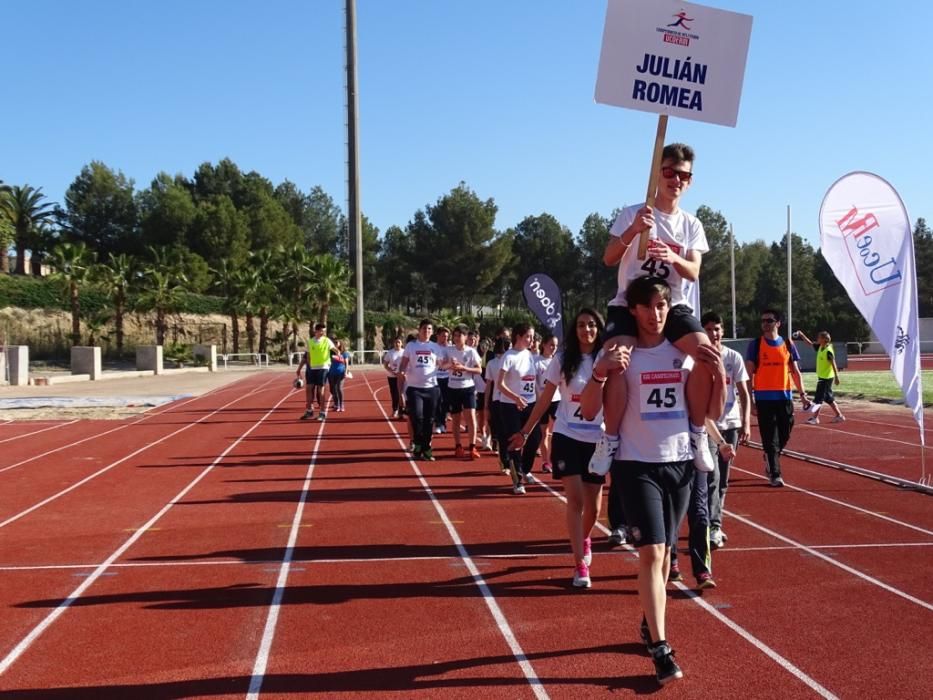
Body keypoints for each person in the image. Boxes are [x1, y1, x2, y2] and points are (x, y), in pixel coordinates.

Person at [581, 276, 725, 686]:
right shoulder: (618, 352)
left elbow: (714, 408)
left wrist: (719, 377)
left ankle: (649, 622)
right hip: (635, 463)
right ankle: (661, 648)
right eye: (647, 307)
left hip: (679, 461)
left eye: (662, 306)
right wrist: (600, 374)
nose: (655, 314)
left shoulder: (684, 355)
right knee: (653, 552)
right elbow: (588, 409)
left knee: (663, 561)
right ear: (633, 311)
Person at [589, 143, 716, 480]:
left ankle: (698, 432)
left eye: (683, 175)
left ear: (690, 181)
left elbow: (693, 271)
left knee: (706, 355)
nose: (676, 179)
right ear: (657, 173)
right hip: (630, 303)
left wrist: (671, 256)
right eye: (669, 171)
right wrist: (633, 231)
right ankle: (609, 439)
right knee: (617, 361)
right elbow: (609, 258)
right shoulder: (634, 213)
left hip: (670, 304)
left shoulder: (691, 224)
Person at [509, 309, 607, 588]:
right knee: (575, 501)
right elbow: (544, 399)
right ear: (574, 330)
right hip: (567, 435)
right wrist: (526, 431)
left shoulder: (606, 358)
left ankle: (584, 538)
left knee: (595, 507)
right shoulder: (563, 360)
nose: (586, 330)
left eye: (591, 325)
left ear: (598, 328)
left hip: (597, 439)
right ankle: (579, 565)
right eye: (580, 325)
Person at [701, 312, 751, 549]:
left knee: (723, 479)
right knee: (713, 476)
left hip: (731, 424)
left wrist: (746, 422)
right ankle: (713, 525)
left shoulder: (734, 358)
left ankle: (715, 522)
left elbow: (744, 392)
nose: (714, 333)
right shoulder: (699, 359)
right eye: (709, 329)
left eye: (717, 329)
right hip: (709, 425)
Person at [745, 308, 811, 487]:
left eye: (769, 320)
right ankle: (775, 473)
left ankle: (770, 455)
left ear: (778, 323)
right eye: (763, 321)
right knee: (770, 438)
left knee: (785, 431)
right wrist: (750, 401)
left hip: (785, 397)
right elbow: (748, 374)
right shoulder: (756, 345)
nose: (765, 324)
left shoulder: (788, 344)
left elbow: (796, 372)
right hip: (764, 399)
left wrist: (803, 395)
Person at [496, 323, 541, 494]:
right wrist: (516, 398)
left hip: (530, 404)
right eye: (528, 336)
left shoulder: (530, 355)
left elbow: (532, 381)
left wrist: (539, 398)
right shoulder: (508, 356)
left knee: (535, 438)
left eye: (532, 336)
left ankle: (526, 469)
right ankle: (518, 481)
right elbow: (499, 384)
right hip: (510, 406)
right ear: (518, 337)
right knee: (515, 443)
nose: (531, 340)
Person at [398, 319, 445, 461]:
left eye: (429, 329)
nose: (427, 331)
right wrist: (401, 378)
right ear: (419, 330)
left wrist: (452, 365)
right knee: (416, 417)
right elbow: (403, 365)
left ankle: (426, 448)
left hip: (431, 388)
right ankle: (418, 443)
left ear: (432, 332)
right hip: (414, 389)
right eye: (424, 328)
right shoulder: (411, 346)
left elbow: (441, 365)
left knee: (429, 420)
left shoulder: (435, 347)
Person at [446, 324, 484, 459]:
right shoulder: (449, 350)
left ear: (465, 337)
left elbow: (479, 370)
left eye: (459, 335)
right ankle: (458, 446)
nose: (456, 338)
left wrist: (464, 368)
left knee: (471, 418)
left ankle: (472, 447)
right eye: (455, 335)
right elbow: (442, 365)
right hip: (453, 388)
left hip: (468, 388)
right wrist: (450, 366)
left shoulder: (471, 351)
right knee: (455, 419)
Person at [794, 329, 846, 424]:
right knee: (828, 398)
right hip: (823, 377)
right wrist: (801, 334)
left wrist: (837, 377)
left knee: (818, 398)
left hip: (826, 378)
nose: (817, 339)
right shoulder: (820, 347)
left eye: (819, 337)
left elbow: (833, 364)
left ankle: (815, 418)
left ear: (823, 339)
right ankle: (839, 415)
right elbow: (809, 343)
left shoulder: (828, 350)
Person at [295, 323, 335, 421]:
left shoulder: (327, 341)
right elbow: (307, 356)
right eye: (322, 331)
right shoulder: (310, 342)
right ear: (316, 331)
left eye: (325, 331)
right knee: (308, 389)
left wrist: (339, 353)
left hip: (323, 367)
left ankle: (322, 413)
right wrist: (303, 368)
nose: (324, 333)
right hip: (311, 368)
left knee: (320, 390)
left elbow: (335, 350)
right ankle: (309, 411)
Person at [485, 336, 511, 470]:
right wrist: (486, 405)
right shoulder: (493, 363)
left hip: (510, 401)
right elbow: (489, 385)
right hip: (498, 401)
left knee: (508, 433)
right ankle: (504, 461)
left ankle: (509, 460)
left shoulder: (513, 361)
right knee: (502, 433)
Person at [535, 333, 561, 473]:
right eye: (551, 345)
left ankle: (557, 459)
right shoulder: (537, 362)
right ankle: (546, 462)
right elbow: (534, 383)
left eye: (556, 346)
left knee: (559, 432)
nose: (553, 348)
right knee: (544, 432)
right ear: (543, 345)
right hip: (543, 401)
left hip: (557, 400)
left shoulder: (558, 361)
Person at [433, 326, 452, 434]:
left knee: (445, 401)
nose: (445, 338)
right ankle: (438, 423)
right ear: (438, 336)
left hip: (447, 378)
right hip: (436, 377)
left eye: (446, 336)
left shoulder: (450, 348)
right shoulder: (434, 347)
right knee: (437, 401)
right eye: (443, 336)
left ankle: (443, 422)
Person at [382, 337, 405, 418]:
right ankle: (395, 410)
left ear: (402, 343)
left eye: (399, 342)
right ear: (393, 343)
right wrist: (391, 371)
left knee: (401, 394)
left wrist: (404, 373)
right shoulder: (390, 353)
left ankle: (401, 411)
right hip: (392, 376)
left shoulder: (405, 352)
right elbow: (385, 364)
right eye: (396, 342)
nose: (397, 344)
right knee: (394, 393)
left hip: (402, 376)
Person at [327, 340, 351, 412]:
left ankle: (341, 404)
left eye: (336, 342)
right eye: (334, 343)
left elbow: (346, 363)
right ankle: (336, 404)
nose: (335, 344)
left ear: (340, 344)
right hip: (331, 373)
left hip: (341, 372)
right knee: (333, 390)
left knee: (339, 388)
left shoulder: (344, 353)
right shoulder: (331, 353)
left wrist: (346, 371)